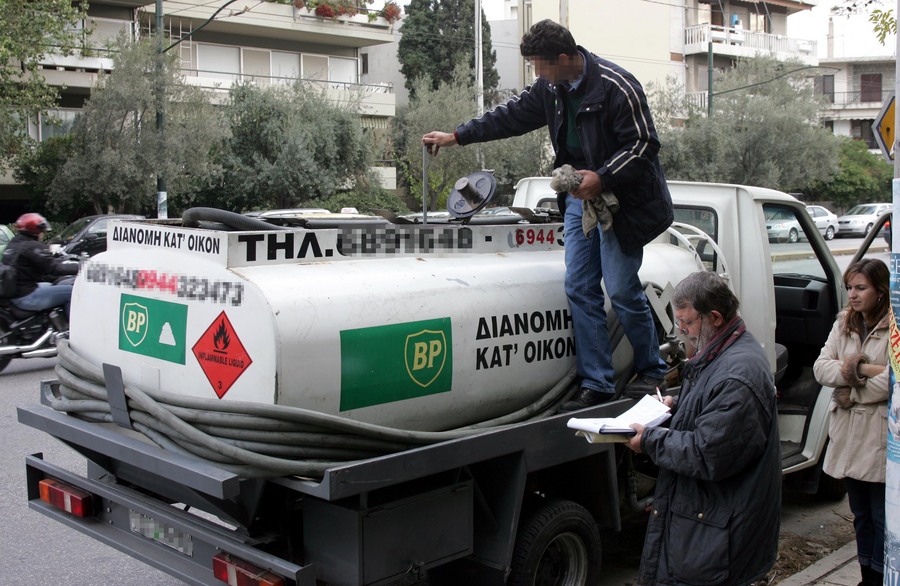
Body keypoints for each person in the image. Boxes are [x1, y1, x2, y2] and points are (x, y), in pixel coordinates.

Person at [422, 19, 673, 411]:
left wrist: (602, 176)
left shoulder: (616, 85)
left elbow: (644, 145)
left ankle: (653, 369)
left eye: (541, 65)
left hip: (623, 201)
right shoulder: (550, 88)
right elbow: (510, 116)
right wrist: (456, 136)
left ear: (564, 57)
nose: (537, 75)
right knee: (579, 286)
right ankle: (599, 382)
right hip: (576, 197)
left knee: (622, 288)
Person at [625, 271, 780, 586]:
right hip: (709, 529)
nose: (682, 332)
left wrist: (651, 440)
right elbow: (712, 418)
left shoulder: (738, 374)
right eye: (679, 324)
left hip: (719, 542)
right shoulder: (721, 354)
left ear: (715, 318)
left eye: (687, 323)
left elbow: (709, 452)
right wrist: (674, 412)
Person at [813, 258, 889, 586]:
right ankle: (866, 576)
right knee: (860, 516)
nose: (853, 295)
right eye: (849, 288)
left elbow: (893, 381)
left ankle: (881, 577)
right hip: (849, 437)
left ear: (881, 291)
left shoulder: (894, 326)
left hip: (879, 436)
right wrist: (858, 369)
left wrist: (850, 391)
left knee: (882, 517)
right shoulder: (844, 322)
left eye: (861, 288)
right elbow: (820, 368)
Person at [1, 213, 78, 322]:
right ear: (36, 231)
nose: (43, 234)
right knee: (72, 292)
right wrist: (81, 267)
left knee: (50, 285)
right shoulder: (32, 246)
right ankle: (74, 331)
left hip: (15, 292)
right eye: (42, 231)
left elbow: (43, 262)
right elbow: (54, 268)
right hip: (26, 296)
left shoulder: (14, 243)